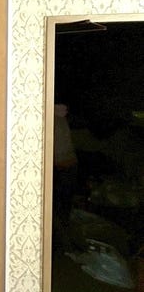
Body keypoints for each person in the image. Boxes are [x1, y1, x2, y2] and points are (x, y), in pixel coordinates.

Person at [53, 104, 78, 251]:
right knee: (62, 208)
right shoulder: (59, 119)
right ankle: (65, 244)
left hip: (63, 168)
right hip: (67, 167)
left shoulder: (56, 121)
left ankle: (65, 245)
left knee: (59, 209)